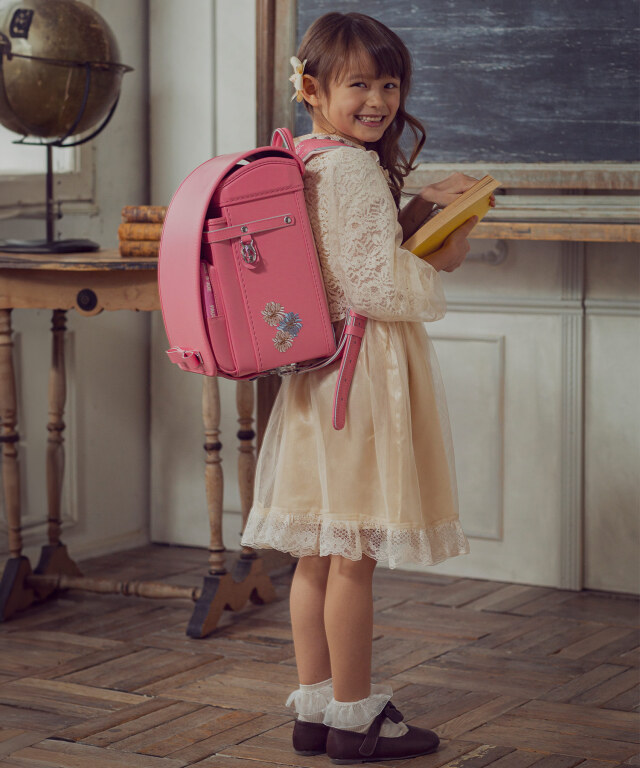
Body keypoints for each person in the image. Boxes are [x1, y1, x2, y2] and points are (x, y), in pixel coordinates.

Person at [240, 11, 496, 764]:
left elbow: (342, 262)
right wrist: (443, 256)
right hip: (361, 376)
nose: (379, 100)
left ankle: (316, 706)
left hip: (319, 377)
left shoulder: (309, 156)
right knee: (353, 551)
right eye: (359, 85)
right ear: (313, 89)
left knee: (317, 550)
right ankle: (356, 719)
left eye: (390, 84)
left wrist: (413, 214)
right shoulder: (351, 168)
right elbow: (375, 286)